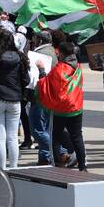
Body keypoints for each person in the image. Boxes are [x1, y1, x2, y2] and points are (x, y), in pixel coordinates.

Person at [0, 29, 30, 168]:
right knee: (13, 137)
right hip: (15, 100)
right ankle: (14, 168)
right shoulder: (20, 57)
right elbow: (26, 80)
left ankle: (2, 168)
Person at [36, 41, 87, 171]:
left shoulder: (59, 69)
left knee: (56, 136)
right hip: (75, 107)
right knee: (77, 137)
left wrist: (41, 70)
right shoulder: (78, 67)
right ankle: (83, 166)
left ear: (61, 53)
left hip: (60, 110)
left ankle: (56, 163)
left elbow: (45, 85)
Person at [29, 30, 58, 165]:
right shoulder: (52, 51)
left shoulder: (39, 54)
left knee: (38, 129)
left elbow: (37, 78)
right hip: (51, 95)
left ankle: (60, 151)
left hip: (40, 95)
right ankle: (45, 156)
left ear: (39, 40)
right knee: (46, 127)